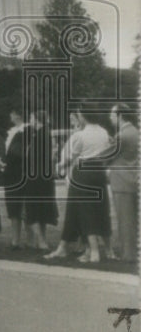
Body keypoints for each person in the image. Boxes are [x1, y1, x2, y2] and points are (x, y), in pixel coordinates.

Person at [45, 108, 112, 263]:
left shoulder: (80, 135)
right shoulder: (103, 132)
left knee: (85, 210)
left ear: (83, 116)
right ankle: (66, 247)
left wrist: (60, 167)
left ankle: (93, 252)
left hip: (83, 174)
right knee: (84, 208)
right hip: (99, 173)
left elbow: (72, 158)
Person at [22, 110, 59, 250]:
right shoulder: (44, 134)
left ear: (37, 120)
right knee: (41, 210)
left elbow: (34, 158)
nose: (30, 120)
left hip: (36, 177)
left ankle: (41, 241)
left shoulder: (40, 136)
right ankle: (42, 240)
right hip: (44, 177)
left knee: (34, 209)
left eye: (31, 118)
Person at [107, 104, 139, 263]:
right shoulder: (135, 132)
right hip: (134, 180)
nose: (110, 118)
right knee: (133, 220)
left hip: (122, 182)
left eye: (112, 115)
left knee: (125, 220)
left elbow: (107, 155)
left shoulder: (122, 135)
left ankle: (128, 255)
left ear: (120, 116)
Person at [2, 107, 28, 249]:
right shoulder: (12, 132)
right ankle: (15, 240)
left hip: (19, 172)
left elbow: (21, 153)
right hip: (11, 171)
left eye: (12, 113)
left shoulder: (24, 131)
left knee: (22, 206)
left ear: (17, 115)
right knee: (13, 207)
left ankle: (28, 239)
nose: (10, 116)